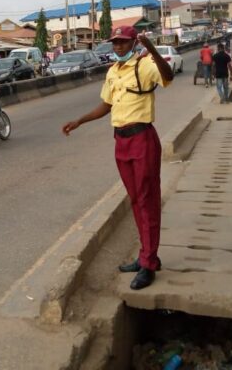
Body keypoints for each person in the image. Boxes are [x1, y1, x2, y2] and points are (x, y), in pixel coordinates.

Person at [61, 26, 174, 290]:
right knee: (135, 200)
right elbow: (107, 104)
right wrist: (80, 121)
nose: (118, 46)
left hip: (142, 138)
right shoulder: (113, 71)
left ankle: (149, 264)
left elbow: (168, 77)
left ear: (133, 43)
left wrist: (152, 49)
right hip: (121, 141)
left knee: (147, 200)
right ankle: (146, 254)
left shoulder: (144, 65)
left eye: (123, 42)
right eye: (115, 42)